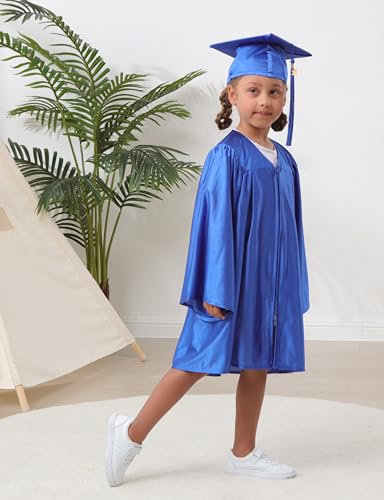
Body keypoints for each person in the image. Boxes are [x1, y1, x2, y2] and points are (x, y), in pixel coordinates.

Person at [105, 33, 311, 487]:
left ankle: (244, 452)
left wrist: (291, 285)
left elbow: (292, 230)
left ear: (284, 98)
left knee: (257, 362)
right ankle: (130, 435)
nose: (264, 100)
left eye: (274, 91)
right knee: (195, 362)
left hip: (267, 286)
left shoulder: (284, 160)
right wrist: (214, 289)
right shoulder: (226, 157)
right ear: (232, 95)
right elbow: (214, 227)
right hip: (228, 283)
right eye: (253, 90)